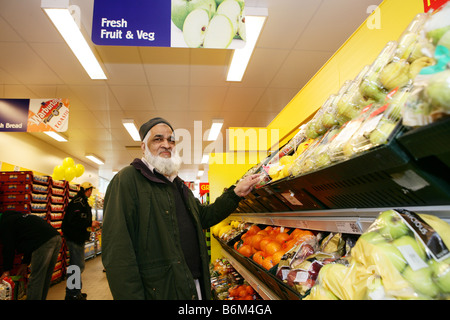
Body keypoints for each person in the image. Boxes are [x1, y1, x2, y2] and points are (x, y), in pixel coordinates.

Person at [102, 117, 260, 300]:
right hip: (160, 291)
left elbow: (203, 216)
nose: (166, 144)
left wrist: (235, 193)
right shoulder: (127, 180)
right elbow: (117, 252)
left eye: (171, 140)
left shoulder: (177, 184)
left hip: (193, 284)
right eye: (158, 139)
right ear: (144, 147)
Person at [0, 210, 62, 300]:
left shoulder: (5, 224)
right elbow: (30, 240)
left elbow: (8, 247)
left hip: (44, 241)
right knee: (44, 279)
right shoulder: (17, 218)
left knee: (36, 279)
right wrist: (25, 262)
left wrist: (6, 270)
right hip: (56, 237)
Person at [62, 182, 100, 300]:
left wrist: (89, 225)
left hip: (78, 237)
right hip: (74, 237)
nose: (91, 192)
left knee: (77, 265)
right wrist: (89, 223)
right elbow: (73, 221)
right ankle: (71, 294)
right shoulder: (78, 202)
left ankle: (76, 291)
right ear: (87, 190)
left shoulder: (82, 201)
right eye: (90, 190)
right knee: (76, 266)